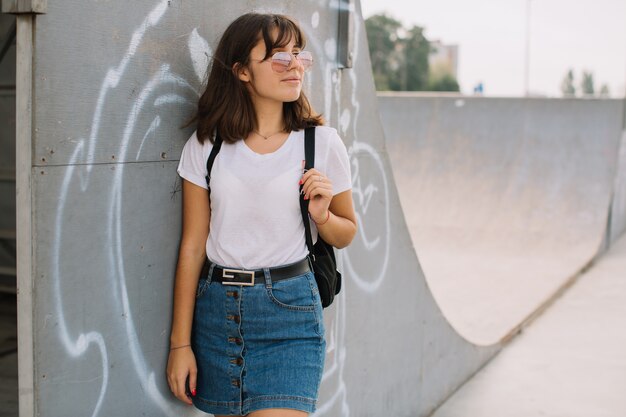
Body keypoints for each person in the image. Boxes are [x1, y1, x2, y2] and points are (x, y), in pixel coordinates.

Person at [166, 12, 357, 417]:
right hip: (217, 313)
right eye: (278, 57)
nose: (294, 66)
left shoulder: (321, 143)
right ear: (242, 72)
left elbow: (346, 233)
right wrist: (179, 344)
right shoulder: (207, 145)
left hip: (289, 314)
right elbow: (192, 246)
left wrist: (322, 216)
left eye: (298, 55)